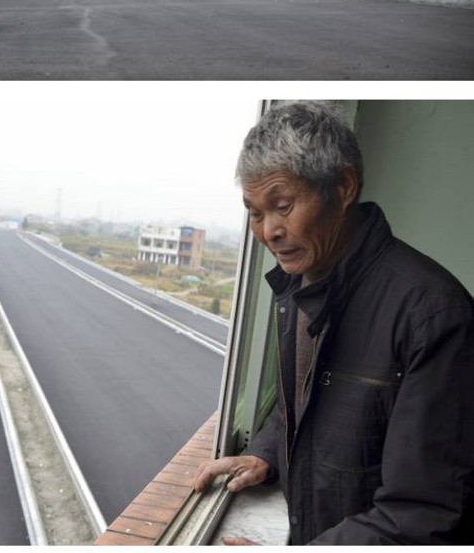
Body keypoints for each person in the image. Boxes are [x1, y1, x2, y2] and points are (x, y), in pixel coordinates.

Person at [194, 102, 473, 545]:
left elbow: (423, 512)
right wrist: (266, 454)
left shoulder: (433, 315)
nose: (268, 231)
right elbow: (303, 404)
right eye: (254, 212)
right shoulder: (298, 284)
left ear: (343, 186)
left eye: (282, 205)